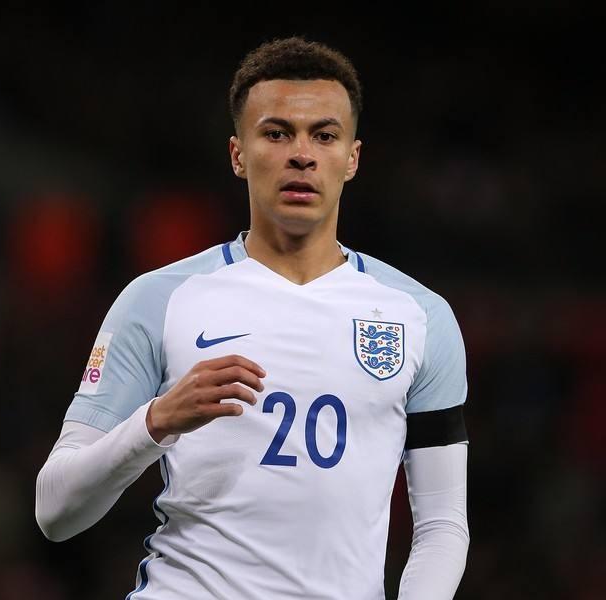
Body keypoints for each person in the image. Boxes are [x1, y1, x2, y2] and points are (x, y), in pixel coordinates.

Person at [36, 36, 469, 599]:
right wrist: (156, 421)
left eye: (324, 135)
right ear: (238, 155)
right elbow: (55, 510)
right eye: (277, 133)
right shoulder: (158, 299)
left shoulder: (420, 317)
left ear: (352, 158)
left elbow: (442, 527)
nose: (302, 155)